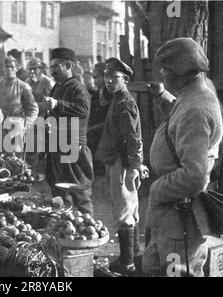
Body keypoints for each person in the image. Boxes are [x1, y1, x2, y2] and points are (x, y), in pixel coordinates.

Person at [143, 38, 223, 277]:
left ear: (181, 72)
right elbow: (178, 117)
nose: (161, 73)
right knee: (157, 267)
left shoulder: (195, 109)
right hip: (174, 210)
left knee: (174, 272)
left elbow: (194, 176)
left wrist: (157, 189)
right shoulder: (192, 95)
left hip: (181, 213)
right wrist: (163, 97)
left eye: (166, 69)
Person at [96, 57, 143, 276]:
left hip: (123, 163)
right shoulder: (117, 99)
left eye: (114, 77)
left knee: (124, 211)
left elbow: (133, 137)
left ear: (124, 79)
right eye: (106, 77)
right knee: (127, 210)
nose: (108, 81)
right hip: (118, 161)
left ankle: (127, 263)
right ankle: (130, 257)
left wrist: (135, 165)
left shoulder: (125, 102)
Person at [45, 47, 94, 215]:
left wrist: (58, 104)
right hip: (57, 146)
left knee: (79, 191)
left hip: (73, 146)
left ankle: (88, 231)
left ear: (68, 65)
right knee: (59, 191)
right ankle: (64, 232)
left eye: (56, 67)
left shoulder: (77, 87)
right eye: (50, 68)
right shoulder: (58, 87)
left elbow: (83, 110)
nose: (52, 72)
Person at [0, 56, 38, 154]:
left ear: (17, 68)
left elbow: (33, 109)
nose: (9, 69)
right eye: (6, 67)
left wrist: (25, 124)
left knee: (15, 158)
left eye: (11, 67)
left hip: (16, 125)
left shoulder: (23, 87)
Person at [25, 57, 55, 180]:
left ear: (40, 69)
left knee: (40, 147)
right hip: (29, 120)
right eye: (30, 70)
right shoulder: (27, 82)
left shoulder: (47, 83)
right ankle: (29, 172)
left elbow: (51, 103)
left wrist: (34, 106)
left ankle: (39, 174)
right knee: (29, 147)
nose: (32, 72)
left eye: (34, 69)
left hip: (43, 119)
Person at [87, 70, 113, 176]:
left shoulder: (110, 92)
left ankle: (100, 166)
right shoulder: (97, 92)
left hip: (107, 124)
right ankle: (95, 166)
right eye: (95, 78)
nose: (96, 80)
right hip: (97, 125)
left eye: (99, 77)